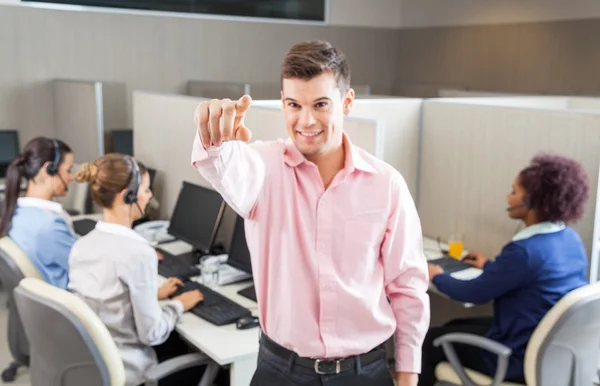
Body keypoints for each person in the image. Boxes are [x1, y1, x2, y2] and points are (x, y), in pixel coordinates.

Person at [190, 40, 430, 386]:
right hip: (281, 372)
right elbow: (220, 163)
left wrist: (407, 376)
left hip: (364, 373)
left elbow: (407, 288)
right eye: (293, 105)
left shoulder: (387, 184)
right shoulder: (262, 167)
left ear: (346, 102)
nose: (305, 120)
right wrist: (212, 133)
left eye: (320, 104)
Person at [423, 154, 590, 385]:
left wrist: (436, 276)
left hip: (516, 357)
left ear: (531, 201)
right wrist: (490, 266)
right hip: (547, 349)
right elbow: (530, 278)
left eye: (514, 192)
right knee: (452, 327)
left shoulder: (524, 251)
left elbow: (473, 293)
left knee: (430, 340)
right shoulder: (570, 239)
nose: (508, 197)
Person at [68, 153, 204, 386]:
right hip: (129, 370)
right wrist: (179, 304)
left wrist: (154, 294)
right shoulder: (139, 253)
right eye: (146, 190)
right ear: (128, 196)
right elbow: (153, 333)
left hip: (93, 363)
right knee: (214, 370)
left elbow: (107, 301)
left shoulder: (81, 246)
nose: (149, 196)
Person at [0, 137, 77, 289]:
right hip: (74, 300)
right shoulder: (50, 227)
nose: (71, 177)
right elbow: (91, 268)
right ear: (50, 169)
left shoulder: (16, 212)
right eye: (68, 171)